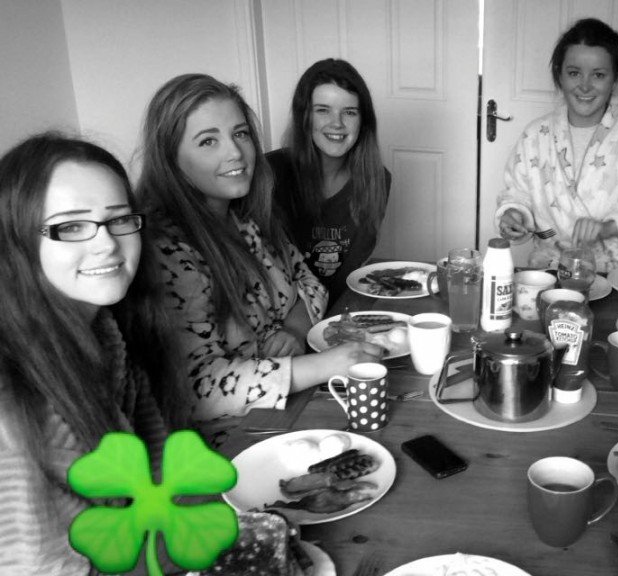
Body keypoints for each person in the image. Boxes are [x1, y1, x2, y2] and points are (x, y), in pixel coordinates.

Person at [137, 74, 382, 421]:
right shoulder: (167, 250)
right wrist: (318, 367)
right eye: (208, 141)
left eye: (240, 134)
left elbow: (309, 282)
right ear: (170, 158)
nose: (235, 152)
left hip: (290, 399)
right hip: (231, 436)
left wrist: (296, 330)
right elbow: (198, 389)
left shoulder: (247, 218)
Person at [0, 134, 185, 573]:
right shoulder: (11, 401)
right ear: (17, 242)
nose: (106, 243)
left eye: (119, 219)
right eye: (71, 226)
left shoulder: (106, 332)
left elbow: (159, 476)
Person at [495, 17, 618, 273]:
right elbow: (517, 195)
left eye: (598, 75)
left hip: (612, 279)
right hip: (546, 274)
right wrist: (513, 216)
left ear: (614, 80)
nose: (584, 85)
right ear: (559, 75)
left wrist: (610, 228)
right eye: (574, 73)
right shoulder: (535, 136)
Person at [267, 58, 391, 309]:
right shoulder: (269, 173)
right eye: (323, 110)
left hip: (337, 312)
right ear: (304, 117)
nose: (337, 123)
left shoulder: (378, 179)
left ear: (363, 122)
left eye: (349, 112)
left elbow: (349, 274)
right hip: (281, 318)